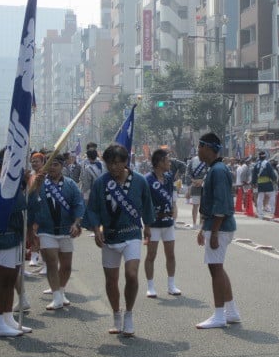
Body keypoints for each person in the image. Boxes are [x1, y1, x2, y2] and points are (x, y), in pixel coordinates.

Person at [84, 143, 154, 338]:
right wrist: (96, 227)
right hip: (110, 236)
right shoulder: (101, 183)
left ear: (125, 162)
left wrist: (147, 226)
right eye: (109, 164)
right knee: (111, 280)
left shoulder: (139, 181)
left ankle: (129, 314)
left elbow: (147, 204)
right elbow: (93, 208)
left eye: (117, 163)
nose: (113, 167)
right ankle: (116, 315)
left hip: (132, 233)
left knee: (131, 274)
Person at [195, 133, 240, 329]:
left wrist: (213, 232)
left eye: (199, 146)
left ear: (207, 147)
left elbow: (221, 205)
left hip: (219, 228)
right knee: (217, 268)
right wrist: (203, 228)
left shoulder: (218, 170)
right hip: (215, 226)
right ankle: (231, 312)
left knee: (215, 269)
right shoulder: (215, 169)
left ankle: (219, 315)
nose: (198, 151)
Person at [28, 153, 84, 310]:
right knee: (52, 262)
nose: (52, 168)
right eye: (49, 165)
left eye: (56, 165)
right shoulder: (39, 183)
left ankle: (61, 291)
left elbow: (78, 204)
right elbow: (31, 204)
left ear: (62, 167)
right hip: (46, 230)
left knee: (66, 266)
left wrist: (76, 223)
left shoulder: (71, 184)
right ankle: (57, 296)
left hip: (66, 230)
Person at [0, 150, 32, 337]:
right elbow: (18, 206)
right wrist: (29, 186)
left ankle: (8, 317)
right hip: (5, 236)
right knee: (3, 280)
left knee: (12, 277)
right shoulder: (1, 183)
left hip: (16, 236)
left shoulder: (15, 184)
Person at [144, 148, 181, 298]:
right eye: (167, 160)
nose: (169, 162)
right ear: (159, 162)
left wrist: (174, 208)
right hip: (153, 223)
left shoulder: (169, 177)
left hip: (168, 222)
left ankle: (171, 285)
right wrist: (146, 223)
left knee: (170, 254)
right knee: (151, 255)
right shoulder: (147, 179)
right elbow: (144, 202)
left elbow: (172, 197)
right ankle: (150, 286)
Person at [252, 151, 277, 219]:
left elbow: (254, 175)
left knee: (260, 197)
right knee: (272, 195)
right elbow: (271, 173)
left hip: (260, 182)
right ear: (265, 156)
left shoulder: (256, 164)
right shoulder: (267, 163)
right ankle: (273, 211)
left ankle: (259, 211)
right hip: (267, 182)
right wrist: (274, 179)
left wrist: (254, 183)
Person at [185, 154, 208, 228]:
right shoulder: (193, 160)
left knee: (201, 206)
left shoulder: (206, 159)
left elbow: (209, 171)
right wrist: (194, 181)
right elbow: (188, 172)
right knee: (196, 206)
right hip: (197, 185)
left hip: (203, 185)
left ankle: (200, 223)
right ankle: (195, 223)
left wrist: (199, 180)